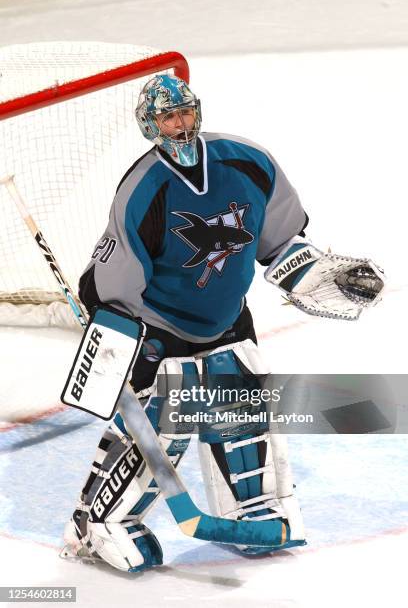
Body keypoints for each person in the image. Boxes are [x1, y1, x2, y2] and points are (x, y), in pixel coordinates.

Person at [62, 74, 382, 573]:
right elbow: (112, 279)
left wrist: (320, 274)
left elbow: (280, 241)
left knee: (244, 405)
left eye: (186, 111)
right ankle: (104, 520)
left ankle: (249, 506)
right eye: (169, 116)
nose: (181, 123)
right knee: (165, 425)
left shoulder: (245, 161)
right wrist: (117, 331)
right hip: (159, 327)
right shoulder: (143, 190)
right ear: (150, 125)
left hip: (227, 318)